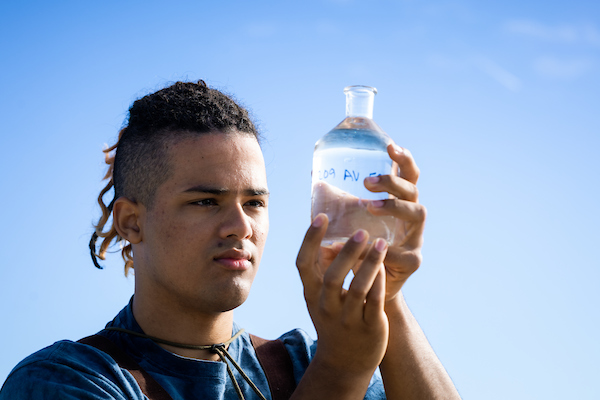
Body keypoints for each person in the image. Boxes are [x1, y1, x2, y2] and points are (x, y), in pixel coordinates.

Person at [0, 81, 460, 399]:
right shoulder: (66, 380)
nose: (240, 226)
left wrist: (386, 294)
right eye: (205, 201)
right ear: (131, 223)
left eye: (255, 203)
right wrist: (341, 373)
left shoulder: (301, 361)